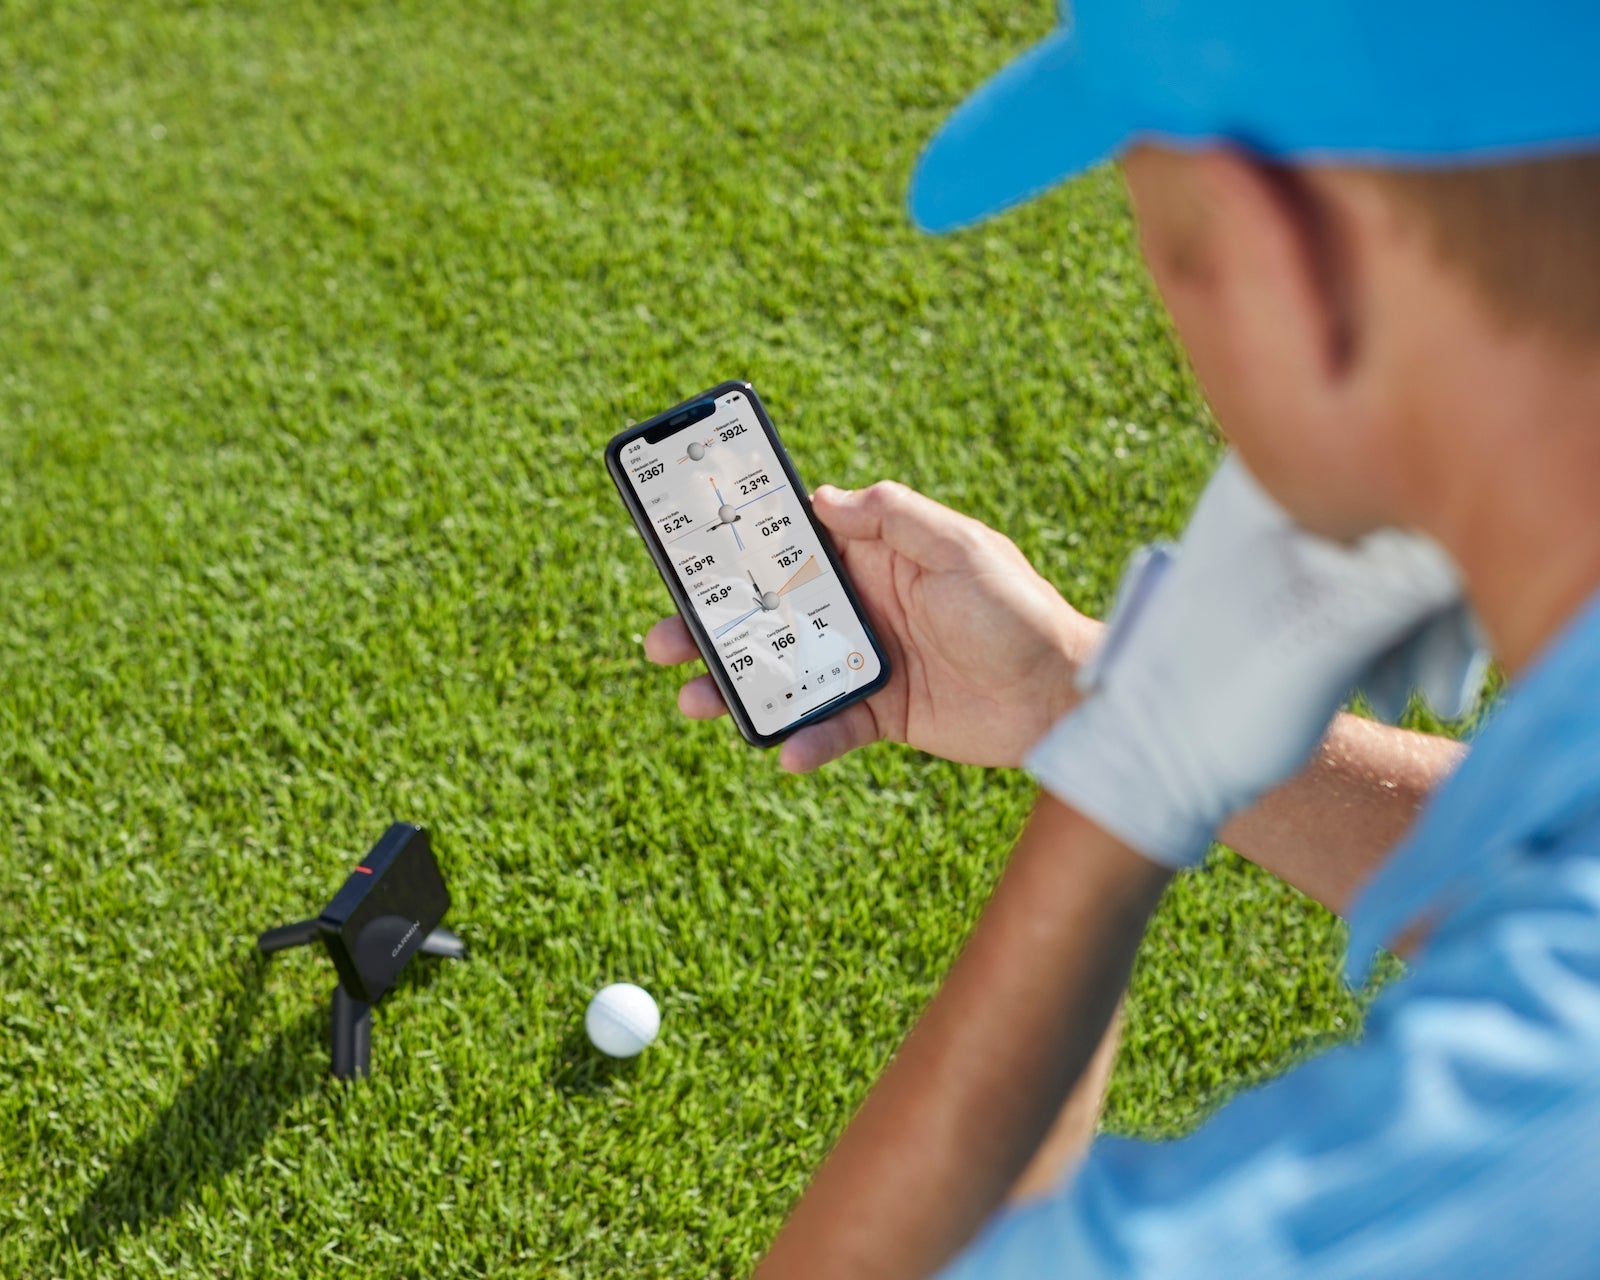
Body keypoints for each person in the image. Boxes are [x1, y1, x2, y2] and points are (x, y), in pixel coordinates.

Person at [643, 1, 1600, 1275]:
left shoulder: (1519, 1141)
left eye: (1168, 248)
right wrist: (1072, 690)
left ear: (1284, 261)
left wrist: (1129, 770)